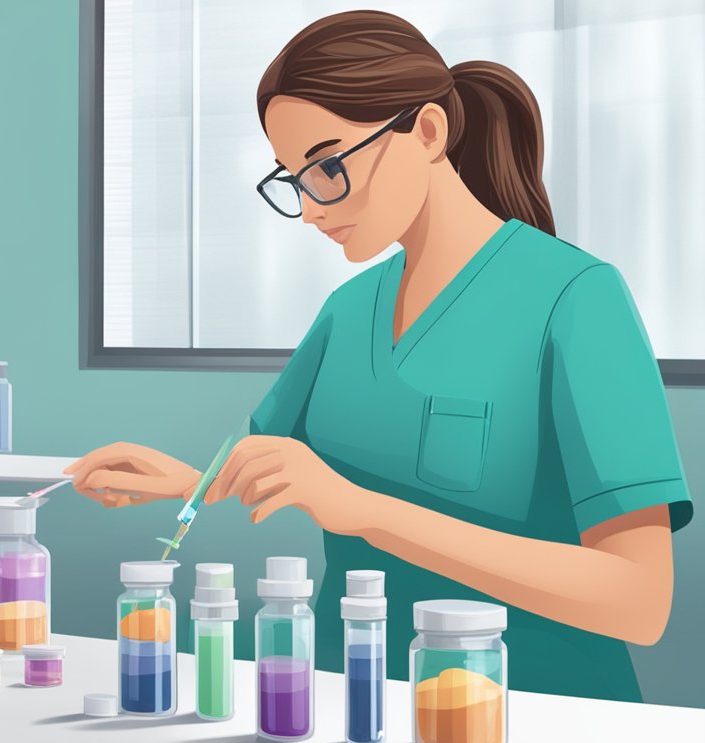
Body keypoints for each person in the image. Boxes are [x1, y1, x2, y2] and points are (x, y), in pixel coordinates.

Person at [67, 10, 692, 702]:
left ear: (426, 132)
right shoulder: (350, 309)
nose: (310, 208)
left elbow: (639, 600)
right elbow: (278, 460)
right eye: (294, 177)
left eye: (328, 166)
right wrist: (190, 480)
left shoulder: (577, 299)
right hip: (349, 705)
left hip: (533, 715)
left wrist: (362, 511)